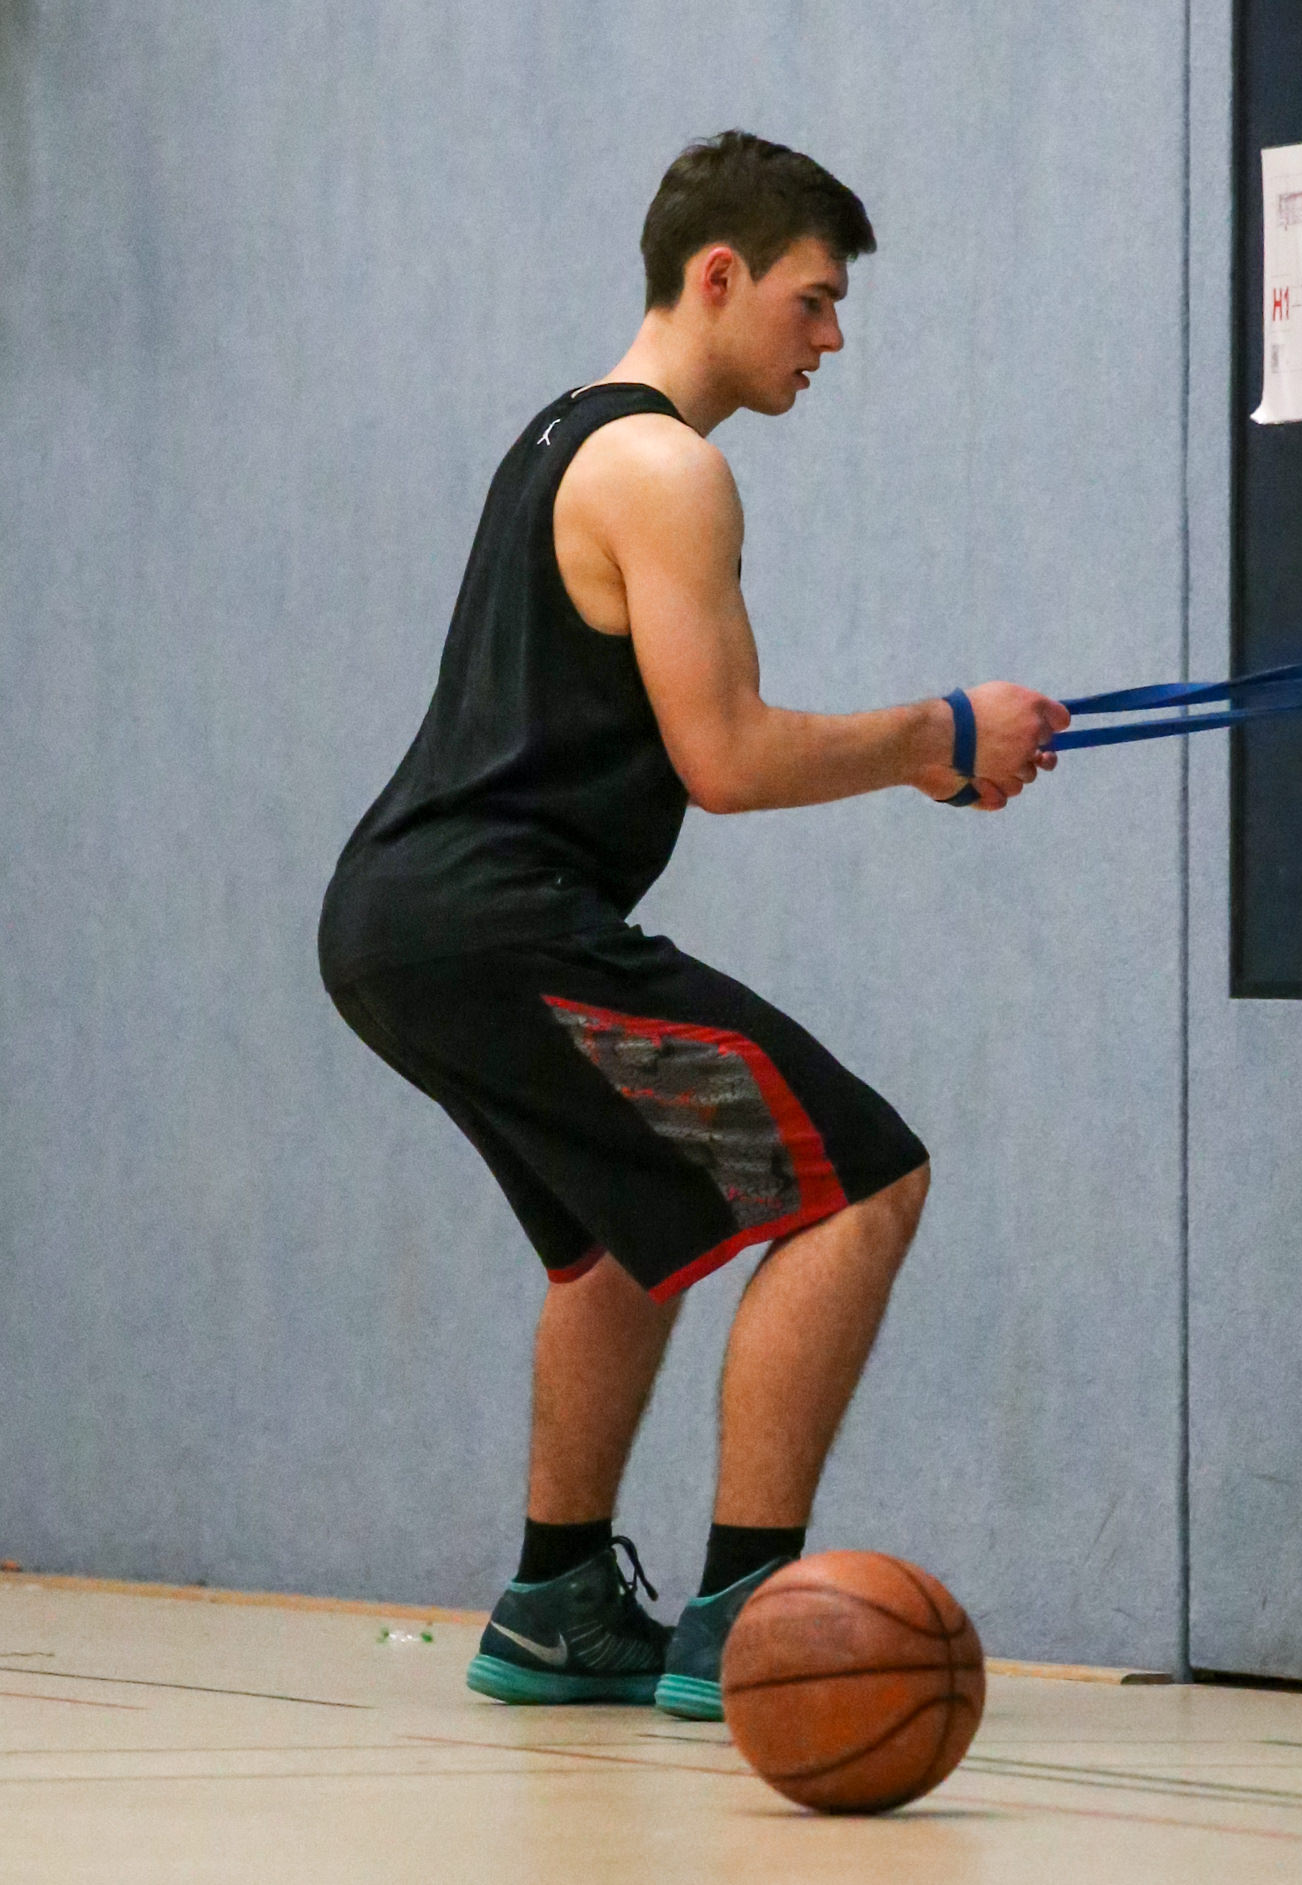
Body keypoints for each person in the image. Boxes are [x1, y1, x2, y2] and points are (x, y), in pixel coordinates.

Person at [316, 130, 1068, 1721]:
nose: (832, 338)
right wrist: (938, 732)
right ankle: (748, 1611)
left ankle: (558, 1599)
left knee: (619, 1239)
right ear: (716, 276)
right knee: (861, 1183)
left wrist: (928, 749)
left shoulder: (561, 436)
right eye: (812, 299)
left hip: (402, 921)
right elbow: (722, 758)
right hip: (493, 919)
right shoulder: (666, 468)